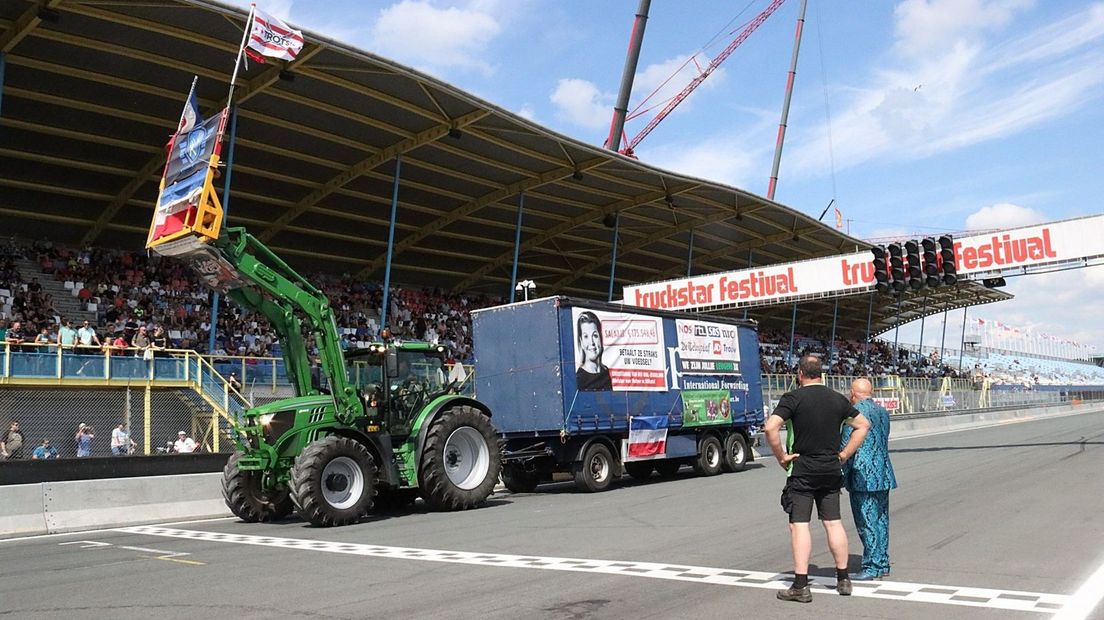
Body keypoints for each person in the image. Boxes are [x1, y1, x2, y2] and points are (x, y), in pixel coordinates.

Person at [764, 355, 870, 603]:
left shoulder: (793, 398)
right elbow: (863, 425)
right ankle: (843, 578)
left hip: (803, 469)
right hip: (831, 469)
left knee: (799, 525)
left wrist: (781, 456)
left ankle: (801, 585)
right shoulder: (837, 399)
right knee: (833, 523)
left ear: (800, 373)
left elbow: (770, 427)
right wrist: (843, 454)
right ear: (820, 373)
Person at [843, 378, 898, 581]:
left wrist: (840, 474)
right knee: (881, 519)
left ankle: (871, 566)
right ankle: (882, 562)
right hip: (883, 472)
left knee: (866, 520)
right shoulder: (882, 412)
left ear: (853, 393)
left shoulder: (854, 413)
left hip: (862, 474)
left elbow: (847, 445)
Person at [574, 311, 611, 391]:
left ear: (600, 338)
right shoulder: (579, 378)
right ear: (581, 341)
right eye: (586, 336)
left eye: (595, 336)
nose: (592, 342)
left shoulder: (605, 372)